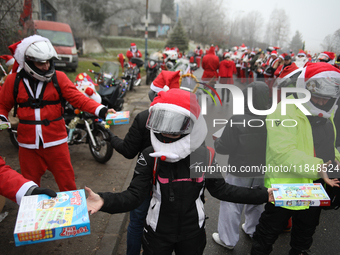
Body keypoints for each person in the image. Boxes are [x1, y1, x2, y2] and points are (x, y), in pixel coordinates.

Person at [86, 88, 277, 255]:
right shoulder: (150, 155)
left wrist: (263, 195)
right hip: (157, 233)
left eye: (175, 123)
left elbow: (223, 191)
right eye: (162, 122)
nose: (167, 130)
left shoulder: (201, 155)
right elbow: (134, 196)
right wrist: (104, 200)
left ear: (192, 125)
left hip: (192, 233)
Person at [0, 35, 114, 192]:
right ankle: (32, 215)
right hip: (28, 144)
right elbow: (2, 104)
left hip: (56, 142)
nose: (46, 66)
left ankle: (73, 213)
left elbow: (78, 98)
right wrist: (2, 116)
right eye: (41, 63)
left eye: (48, 61)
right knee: (29, 186)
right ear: (28, 61)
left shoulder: (59, 78)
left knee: (67, 183)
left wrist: (101, 109)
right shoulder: (13, 81)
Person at [251, 62, 340, 255]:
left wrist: (337, 161)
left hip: (316, 184)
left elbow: (329, 145)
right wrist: (321, 168)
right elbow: (283, 152)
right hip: (287, 184)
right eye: (318, 96)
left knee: (306, 230)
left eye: (328, 98)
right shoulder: (284, 110)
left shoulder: (327, 115)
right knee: (268, 231)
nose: (323, 103)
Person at [108, 70, 180, 255]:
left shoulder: (144, 117)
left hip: (145, 184)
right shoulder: (190, 120)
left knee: (137, 222)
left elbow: (128, 151)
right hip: (176, 186)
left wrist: (111, 137)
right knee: (170, 225)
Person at [212, 82, 270, 250]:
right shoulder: (273, 117)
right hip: (262, 168)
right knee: (257, 200)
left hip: (239, 168)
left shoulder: (236, 120)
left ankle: (227, 239)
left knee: (231, 202)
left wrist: (218, 141)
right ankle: (253, 230)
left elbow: (224, 147)